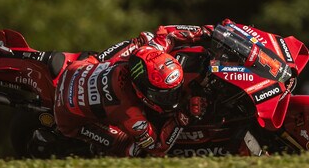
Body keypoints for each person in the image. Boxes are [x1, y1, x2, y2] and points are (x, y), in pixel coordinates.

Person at [52, 24, 213, 157]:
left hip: (77, 69)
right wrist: (182, 117)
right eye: (164, 96)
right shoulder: (131, 114)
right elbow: (157, 148)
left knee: (144, 40)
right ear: (141, 91)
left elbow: (167, 33)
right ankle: (95, 151)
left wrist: (206, 31)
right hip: (67, 113)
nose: (174, 98)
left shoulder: (150, 51)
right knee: (134, 151)